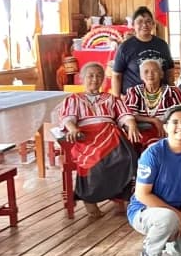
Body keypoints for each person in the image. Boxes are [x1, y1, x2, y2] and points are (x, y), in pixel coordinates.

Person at [127, 104, 181, 256]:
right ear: (165, 127)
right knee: (167, 218)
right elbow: (142, 194)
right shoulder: (153, 153)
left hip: (178, 212)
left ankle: (166, 242)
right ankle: (150, 254)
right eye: (175, 122)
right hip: (146, 210)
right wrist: (177, 216)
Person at [60, 62, 140, 218]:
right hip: (86, 136)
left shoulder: (111, 98)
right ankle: (89, 199)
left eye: (98, 76)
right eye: (90, 76)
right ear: (82, 78)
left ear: (103, 79)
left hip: (110, 133)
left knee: (127, 157)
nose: (95, 79)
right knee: (93, 161)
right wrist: (73, 129)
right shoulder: (74, 99)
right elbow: (67, 118)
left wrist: (131, 124)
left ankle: (120, 197)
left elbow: (125, 115)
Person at [123, 58, 181, 149]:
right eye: (146, 71)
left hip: (168, 132)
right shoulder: (134, 92)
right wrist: (154, 120)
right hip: (142, 132)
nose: (150, 74)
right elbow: (130, 114)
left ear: (161, 74)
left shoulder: (173, 92)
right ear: (141, 76)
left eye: (154, 71)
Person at [112, 6, 174, 95]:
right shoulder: (125, 47)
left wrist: (172, 94)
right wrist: (116, 99)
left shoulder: (162, 45)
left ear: (153, 24)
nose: (144, 25)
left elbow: (169, 73)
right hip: (133, 97)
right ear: (133, 25)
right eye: (140, 21)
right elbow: (117, 75)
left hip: (160, 96)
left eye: (148, 21)